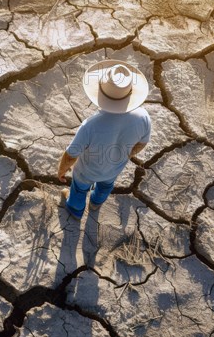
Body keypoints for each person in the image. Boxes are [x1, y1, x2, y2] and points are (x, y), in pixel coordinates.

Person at [58, 60, 151, 220]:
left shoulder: (90, 126)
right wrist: (125, 155)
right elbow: (142, 143)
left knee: (79, 190)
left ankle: (75, 210)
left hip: (86, 172)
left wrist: (61, 171)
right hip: (113, 170)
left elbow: (71, 155)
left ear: (100, 92)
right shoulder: (143, 117)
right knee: (105, 186)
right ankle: (95, 203)